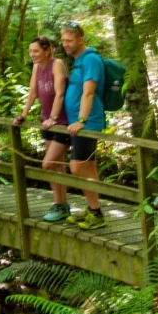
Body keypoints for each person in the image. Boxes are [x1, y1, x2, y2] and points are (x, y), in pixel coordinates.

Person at [13, 36, 73, 222]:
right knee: (56, 165)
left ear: (47, 50)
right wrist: (23, 114)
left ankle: (61, 204)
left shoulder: (57, 64)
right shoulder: (36, 67)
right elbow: (32, 93)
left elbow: (60, 92)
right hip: (46, 121)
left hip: (62, 122)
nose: (32, 55)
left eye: (36, 51)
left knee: (47, 164)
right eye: (31, 51)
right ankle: (61, 205)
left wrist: (54, 118)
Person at [61, 22, 107, 230]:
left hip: (87, 124)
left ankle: (96, 211)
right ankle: (93, 210)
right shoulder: (78, 60)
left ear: (81, 39)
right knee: (89, 167)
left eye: (69, 40)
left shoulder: (91, 59)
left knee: (77, 167)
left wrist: (80, 121)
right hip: (78, 124)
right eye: (63, 40)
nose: (65, 44)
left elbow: (89, 92)